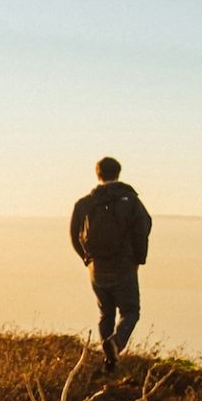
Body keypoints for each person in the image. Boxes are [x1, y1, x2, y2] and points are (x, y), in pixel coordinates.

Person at [69, 156, 152, 372]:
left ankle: (109, 363)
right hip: (124, 265)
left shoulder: (84, 203)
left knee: (106, 313)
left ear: (98, 174)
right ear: (118, 173)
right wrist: (138, 259)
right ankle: (115, 344)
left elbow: (74, 235)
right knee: (130, 311)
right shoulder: (130, 200)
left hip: (96, 268)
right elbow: (143, 228)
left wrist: (87, 260)